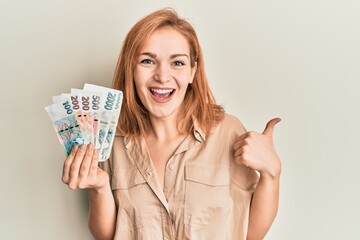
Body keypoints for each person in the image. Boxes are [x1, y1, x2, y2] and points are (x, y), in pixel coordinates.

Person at [61, 8, 282, 240]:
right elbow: (107, 236)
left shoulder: (229, 131)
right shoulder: (109, 139)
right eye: (147, 61)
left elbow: (250, 233)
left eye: (177, 63)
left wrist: (272, 173)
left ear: (192, 72)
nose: (162, 76)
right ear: (131, 70)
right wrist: (99, 187)